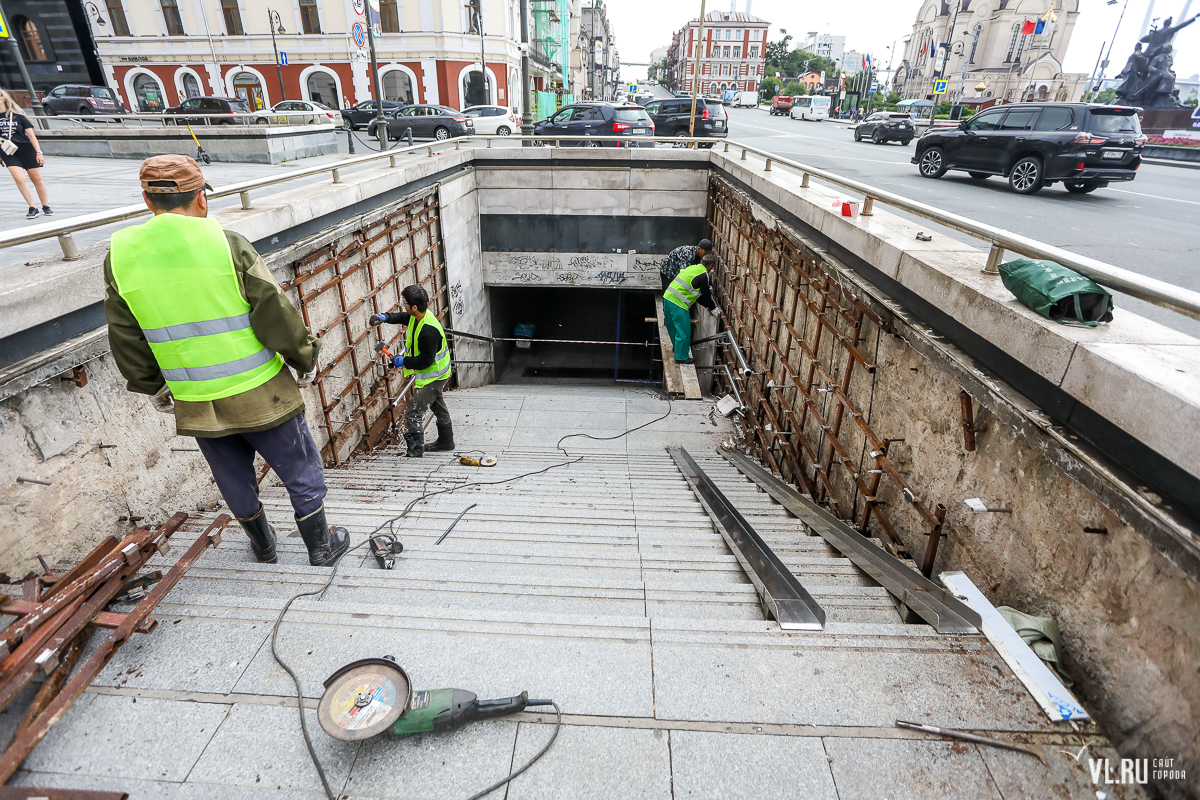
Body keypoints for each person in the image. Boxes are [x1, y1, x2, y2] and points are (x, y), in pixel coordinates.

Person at [103, 154, 349, 567]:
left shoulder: (120, 256)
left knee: (232, 476)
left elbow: (124, 336)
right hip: (261, 393)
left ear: (148, 201)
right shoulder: (226, 244)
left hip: (197, 400)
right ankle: (320, 547)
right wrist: (304, 358)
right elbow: (273, 310)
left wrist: (154, 387)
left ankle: (264, 545)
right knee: (298, 466)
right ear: (201, 199)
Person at [368, 284, 454, 458]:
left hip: (434, 376)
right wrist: (384, 317)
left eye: (404, 302)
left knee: (413, 412)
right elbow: (402, 316)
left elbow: (424, 361)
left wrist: (403, 361)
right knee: (438, 406)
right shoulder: (419, 316)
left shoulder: (428, 330)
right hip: (436, 374)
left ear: (414, 307)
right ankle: (447, 441)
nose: (402, 305)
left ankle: (415, 451)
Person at [0, 90, 52, 220]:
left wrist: (39, 152)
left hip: (26, 149)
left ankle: (45, 205)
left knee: (37, 180)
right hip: (8, 152)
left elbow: (31, 135)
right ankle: (32, 207)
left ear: (3, 98)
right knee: (19, 179)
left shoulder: (19, 116)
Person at [663, 253, 720, 366]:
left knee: (672, 326)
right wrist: (713, 308)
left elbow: (697, 296)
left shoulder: (692, 268)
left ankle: (677, 348)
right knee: (683, 330)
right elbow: (706, 295)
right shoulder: (704, 276)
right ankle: (681, 357)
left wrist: (707, 306)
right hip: (678, 304)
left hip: (668, 297)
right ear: (710, 265)